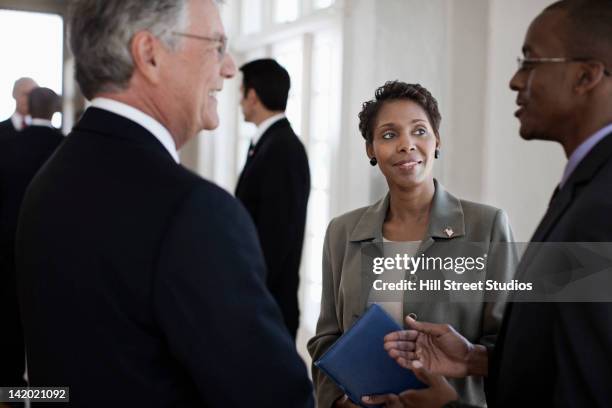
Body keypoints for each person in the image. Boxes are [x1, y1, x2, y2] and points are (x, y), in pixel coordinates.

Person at [16, 1, 313, 407]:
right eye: (217, 45)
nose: (228, 69)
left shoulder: (48, 180)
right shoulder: (196, 214)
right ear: (150, 54)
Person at [383, 1, 612, 406]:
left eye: (530, 61)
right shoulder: (584, 186)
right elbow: (566, 348)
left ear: (585, 76)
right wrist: (477, 359)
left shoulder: (601, 207)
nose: (514, 80)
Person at [307, 81, 516, 408]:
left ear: (437, 141)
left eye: (419, 131)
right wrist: (337, 402)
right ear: (371, 149)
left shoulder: (486, 227)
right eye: (389, 135)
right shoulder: (342, 232)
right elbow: (325, 340)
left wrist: (471, 358)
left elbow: (510, 345)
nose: (406, 144)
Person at [235, 58, 310, 339]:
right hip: (260, 299)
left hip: (269, 305)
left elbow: (276, 237)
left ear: (252, 96)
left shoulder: (283, 149)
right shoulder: (270, 143)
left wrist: (248, 293)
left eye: (241, 93)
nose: (239, 102)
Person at [0, 87, 63, 393]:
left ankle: (10, 393)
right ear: (55, 110)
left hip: (8, 247)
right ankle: (44, 396)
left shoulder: (8, 145)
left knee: (12, 321)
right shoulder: (67, 148)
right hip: (54, 251)